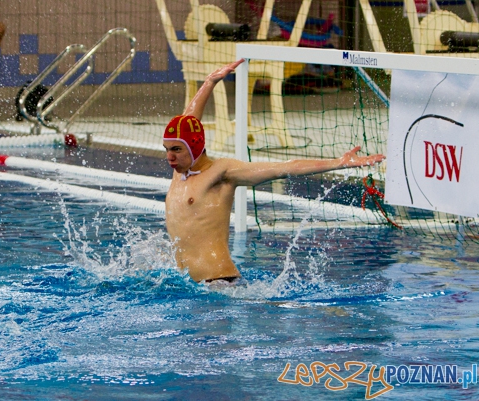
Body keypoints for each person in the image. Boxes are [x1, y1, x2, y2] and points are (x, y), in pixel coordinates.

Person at [163, 59, 386, 284]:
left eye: (176, 150)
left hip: (218, 285)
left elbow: (283, 168)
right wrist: (209, 82)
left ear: (194, 146)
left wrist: (337, 162)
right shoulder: (180, 172)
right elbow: (189, 119)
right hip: (187, 287)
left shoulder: (221, 172)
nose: (169, 157)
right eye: (167, 149)